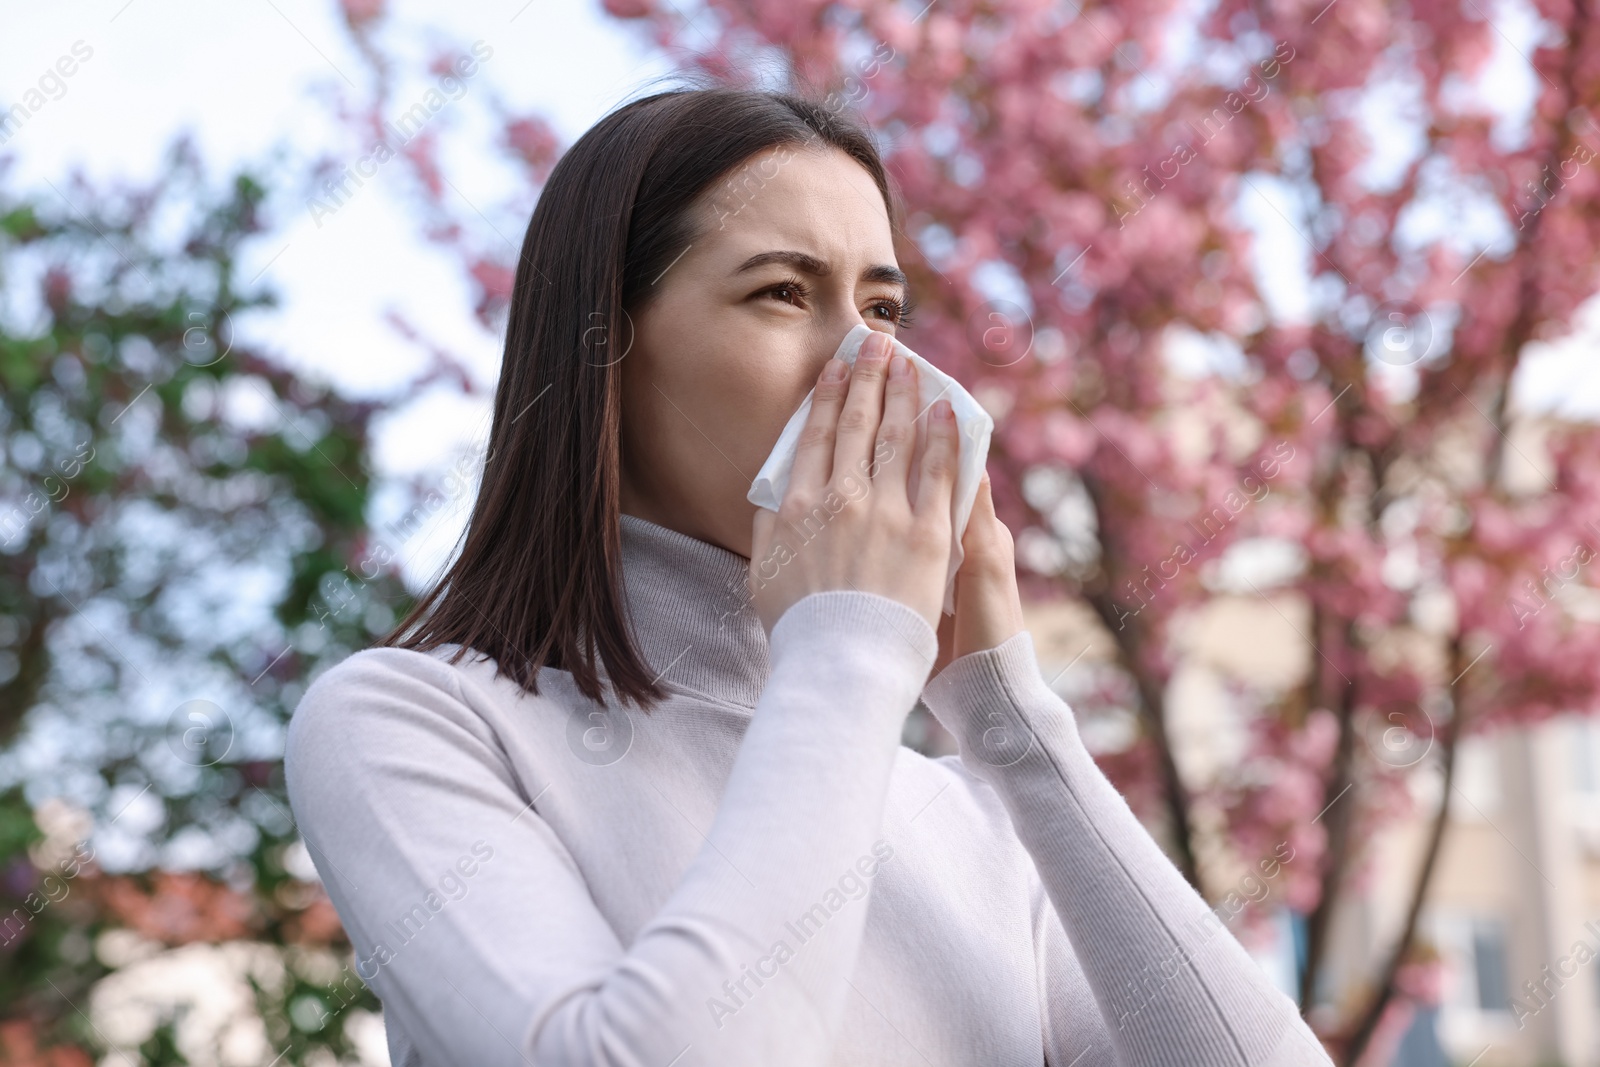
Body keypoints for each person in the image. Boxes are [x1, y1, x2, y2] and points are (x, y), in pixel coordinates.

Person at [284, 85, 1334, 1067]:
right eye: (783, 292)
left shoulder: (960, 811)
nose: (868, 366)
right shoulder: (416, 721)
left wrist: (1010, 717)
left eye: (881, 311)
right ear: (606, 346)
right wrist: (847, 644)